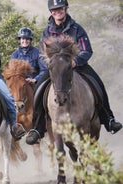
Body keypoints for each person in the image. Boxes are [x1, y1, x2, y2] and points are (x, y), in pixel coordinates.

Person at [26, 0, 122, 145]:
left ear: (65, 9)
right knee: (39, 88)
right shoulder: (47, 32)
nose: (58, 12)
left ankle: (108, 118)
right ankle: (37, 128)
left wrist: (75, 61)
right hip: (56, 69)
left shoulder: (77, 29)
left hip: (77, 66)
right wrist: (52, 64)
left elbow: (87, 50)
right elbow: (41, 55)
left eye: (60, 9)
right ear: (51, 12)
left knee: (97, 83)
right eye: (54, 10)